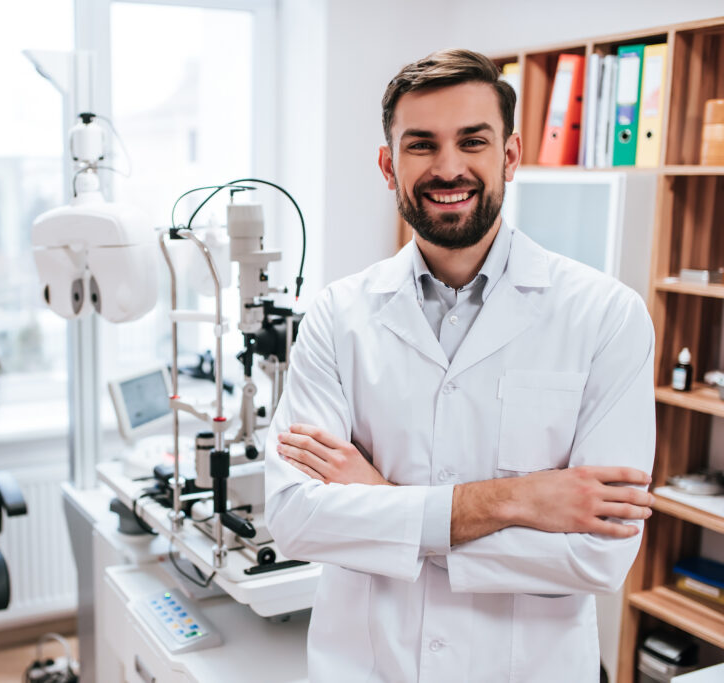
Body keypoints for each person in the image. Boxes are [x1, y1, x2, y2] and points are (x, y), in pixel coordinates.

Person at [264, 49, 656, 683]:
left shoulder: (607, 316)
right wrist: (517, 500)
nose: (449, 167)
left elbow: (600, 558)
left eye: (473, 140)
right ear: (389, 165)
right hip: (367, 667)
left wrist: (383, 505)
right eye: (421, 145)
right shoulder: (338, 316)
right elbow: (295, 519)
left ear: (510, 154)